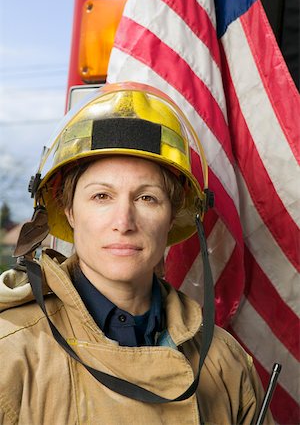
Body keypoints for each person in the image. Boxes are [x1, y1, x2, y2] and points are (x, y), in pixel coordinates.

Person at [0, 82, 273, 424]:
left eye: (147, 198)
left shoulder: (224, 361)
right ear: (68, 210)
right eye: (102, 196)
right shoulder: (10, 353)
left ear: (174, 214)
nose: (124, 222)